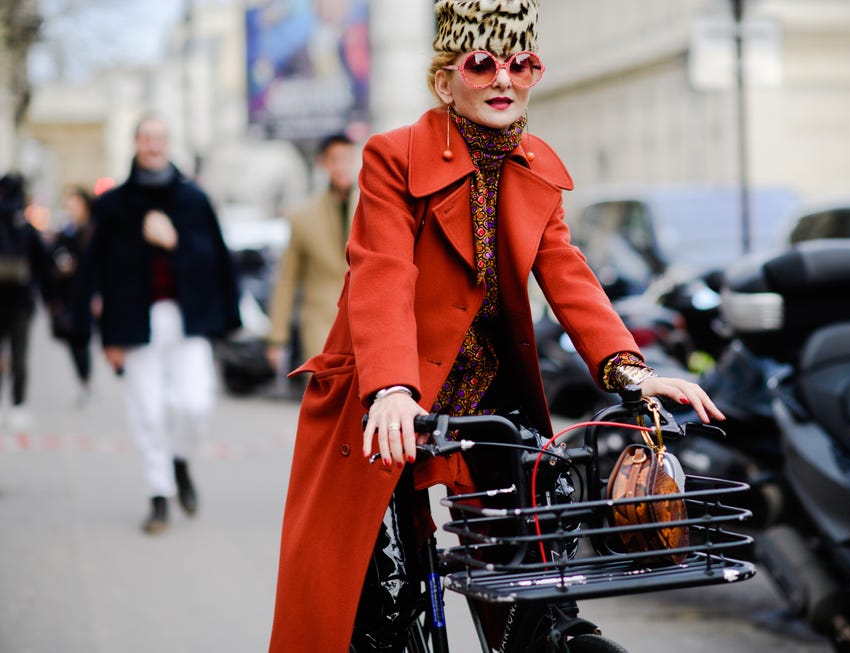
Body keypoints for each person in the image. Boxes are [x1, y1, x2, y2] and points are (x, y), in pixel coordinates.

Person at [268, 1, 724, 650]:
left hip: (486, 399)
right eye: (482, 64)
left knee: (536, 589)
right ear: (444, 80)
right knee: (383, 605)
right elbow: (382, 275)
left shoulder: (535, 165)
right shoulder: (393, 158)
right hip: (386, 397)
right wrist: (393, 388)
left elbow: (569, 274)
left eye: (522, 64)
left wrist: (630, 367)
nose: (504, 79)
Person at [74, 115, 241, 534]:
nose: (153, 146)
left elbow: (216, 258)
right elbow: (95, 268)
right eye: (146, 138)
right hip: (135, 322)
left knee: (195, 404)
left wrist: (175, 243)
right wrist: (101, 335)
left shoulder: (192, 199)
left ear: (167, 144)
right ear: (136, 143)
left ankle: (180, 459)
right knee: (147, 411)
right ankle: (159, 495)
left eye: (160, 139)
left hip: (189, 319)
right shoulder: (114, 204)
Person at [265, 132, 355, 373]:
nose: (341, 166)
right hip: (320, 323)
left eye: (346, 158)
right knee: (323, 398)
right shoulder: (303, 216)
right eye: (334, 159)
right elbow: (287, 279)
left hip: (368, 321)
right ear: (324, 164)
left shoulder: (375, 205)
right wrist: (277, 338)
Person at [0, 172, 52, 430]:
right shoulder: (26, 226)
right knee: (20, 356)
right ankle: (18, 406)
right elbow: (44, 266)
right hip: (21, 302)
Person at [47, 186, 96, 406]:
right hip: (69, 296)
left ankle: (87, 383)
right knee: (74, 341)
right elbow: (54, 256)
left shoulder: (92, 231)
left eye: (74, 205)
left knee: (82, 340)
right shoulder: (66, 232)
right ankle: (84, 382)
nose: (71, 210)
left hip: (87, 294)